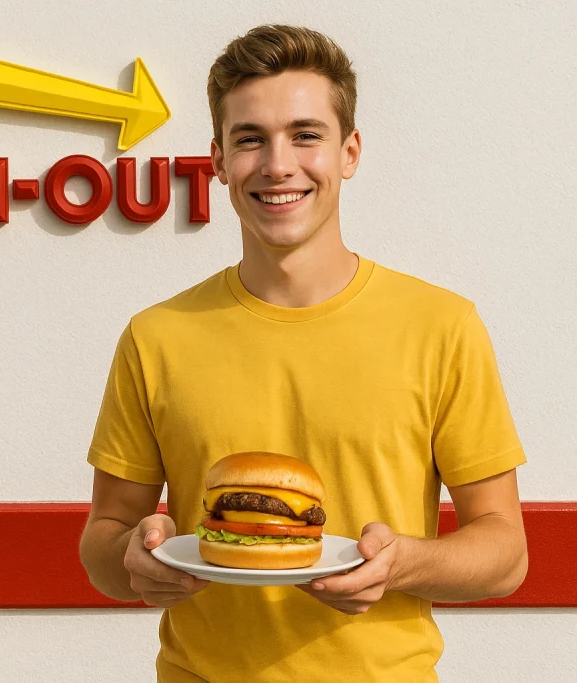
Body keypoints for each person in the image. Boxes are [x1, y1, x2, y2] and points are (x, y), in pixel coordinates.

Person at [79, 24, 528, 683]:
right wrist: (134, 557)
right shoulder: (156, 336)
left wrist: (402, 561)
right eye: (250, 139)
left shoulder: (442, 326)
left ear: (349, 151)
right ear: (217, 160)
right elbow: (103, 540)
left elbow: (506, 552)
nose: (277, 164)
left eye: (305, 134)